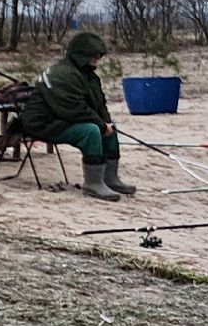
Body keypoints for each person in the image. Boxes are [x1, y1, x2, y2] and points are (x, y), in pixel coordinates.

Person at [19, 31, 135, 202]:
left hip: (62, 120)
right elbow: (75, 109)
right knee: (91, 131)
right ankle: (93, 184)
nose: (97, 57)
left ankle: (111, 179)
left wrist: (107, 123)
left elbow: (98, 104)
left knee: (110, 129)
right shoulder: (62, 74)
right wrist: (101, 126)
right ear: (81, 54)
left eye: (99, 54)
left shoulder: (89, 76)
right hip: (44, 124)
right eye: (93, 54)